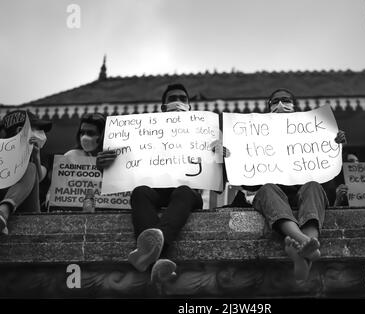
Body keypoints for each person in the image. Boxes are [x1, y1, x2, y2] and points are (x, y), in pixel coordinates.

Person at [224, 88, 346, 282]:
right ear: (269, 107)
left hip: (304, 193)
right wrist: (231, 157)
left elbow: (326, 175)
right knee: (267, 189)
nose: (281, 104)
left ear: (294, 105)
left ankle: (302, 250)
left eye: (285, 100)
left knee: (314, 185)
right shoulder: (254, 136)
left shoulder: (311, 132)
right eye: (275, 101)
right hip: (273, 196)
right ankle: (306, 243)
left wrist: (334, 145)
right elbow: (245, 179)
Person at [96, 83, 203, 282]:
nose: (178, 102)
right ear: (162, 107)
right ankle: (157, 258)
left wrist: (222, 155)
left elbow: (221, 173)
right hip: (156, 191)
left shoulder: (203, 131)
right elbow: (123, 162)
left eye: (182, 98)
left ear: (189, 106)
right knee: (140, 192)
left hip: (187, 194)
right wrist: (103, 164)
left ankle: (150, 252)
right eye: (172, 98)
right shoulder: (144, 132)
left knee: (184, 192)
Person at [0, 110, 52, 234]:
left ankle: (4, 211)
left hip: (28, 209)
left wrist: (36, 156)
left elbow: (39, 179)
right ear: (20, 131)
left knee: (31, 168)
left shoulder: (40, 156)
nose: (41, 133)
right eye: (36, 129)